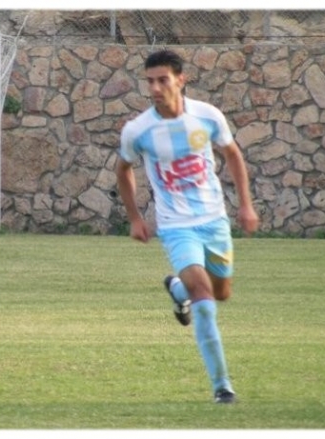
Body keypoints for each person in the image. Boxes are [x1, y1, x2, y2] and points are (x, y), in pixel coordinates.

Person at [115, 49, 259, 404]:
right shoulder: (138, 130)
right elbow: (123, 169)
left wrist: (245, 205)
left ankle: (178, 290)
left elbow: (232, 154)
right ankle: (222, 387)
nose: (155, 88)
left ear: (181, 79)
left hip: (214, 220)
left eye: (162, 80)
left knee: (221, 293)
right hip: (176, 225)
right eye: (149, 81)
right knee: (205, 302)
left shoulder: (207, 116)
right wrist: (135, 218)